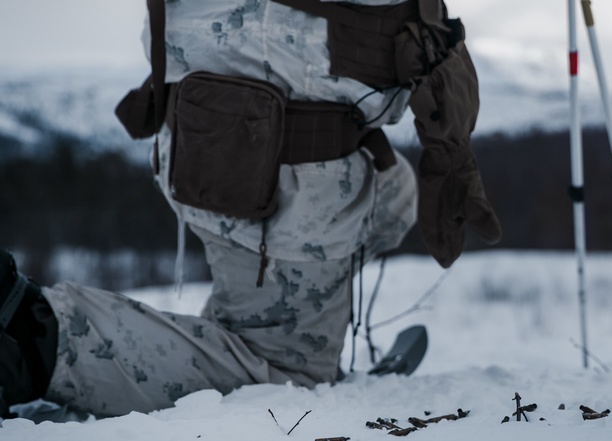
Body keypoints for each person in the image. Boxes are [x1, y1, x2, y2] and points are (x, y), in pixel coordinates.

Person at [0, 0, 500, 419]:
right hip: (282, 177)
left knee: (394, 195)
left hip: (212, 137)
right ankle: (32, 337)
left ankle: (250, 328)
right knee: (284, 378)